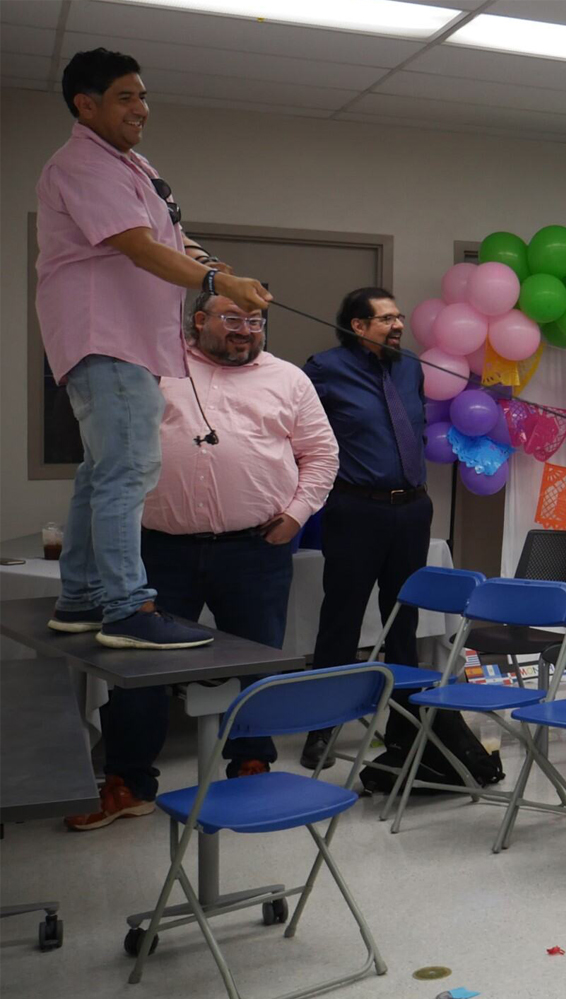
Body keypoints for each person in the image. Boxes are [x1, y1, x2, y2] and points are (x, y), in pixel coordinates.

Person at [65, 292, 340, 830]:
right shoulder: (154, 370)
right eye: (232, 318)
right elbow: (112, 446)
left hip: (255, 549)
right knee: (139, 668)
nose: (245, 329)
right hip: (159, 549)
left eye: (255, 320)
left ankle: (252, 765)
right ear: (198, 320)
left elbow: (322, 454)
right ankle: (129, 782)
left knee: (257, 662)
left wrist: (296, 514)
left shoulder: (288, 379)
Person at [36, 48, 271, 650]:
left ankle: (81, 599)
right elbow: (138, 247)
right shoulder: (83, 164)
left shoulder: (132, 165)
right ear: (85, 105)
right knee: (128, 472)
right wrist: (216, 283)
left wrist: (207, 262)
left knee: (100, 473)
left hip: (126, 341)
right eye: (125, 97)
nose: (141, 108)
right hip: (106, 338)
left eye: (142, 96)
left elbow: (166, 237)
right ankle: (126, 608)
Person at [301, 288, 431, 770]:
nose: (398, 326)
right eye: (386, 319)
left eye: (399, 317)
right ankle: (322, 729)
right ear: (357, 326)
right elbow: (300, 434)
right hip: (356, 509)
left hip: (412, 510)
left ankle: (406, 732)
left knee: (404, 621)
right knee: (342, 621)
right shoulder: (324, 369)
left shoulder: (410, 367)